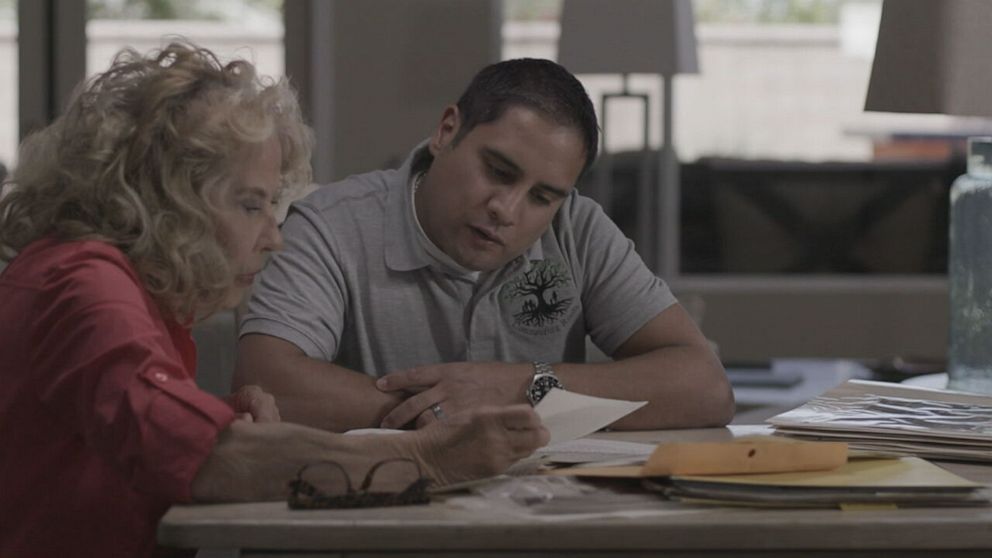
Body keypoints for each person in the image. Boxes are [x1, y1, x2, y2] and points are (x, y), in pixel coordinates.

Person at [0, 43, 548, 558]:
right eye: (249, 205)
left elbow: (131, 439)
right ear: (167, 196)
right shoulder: (85, 287)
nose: (274, 236)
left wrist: (213, 418)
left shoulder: (99, 279)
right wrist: (427, 458)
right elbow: (209, 461)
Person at [235, 58, 734, 433]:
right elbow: (265, 382)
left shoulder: (577, 226)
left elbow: (703, 387)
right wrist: (455, 411)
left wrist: (520, 385)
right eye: (498, 171)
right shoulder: (329, 225)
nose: (508, 209)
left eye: (542, 196)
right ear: (447, 130)